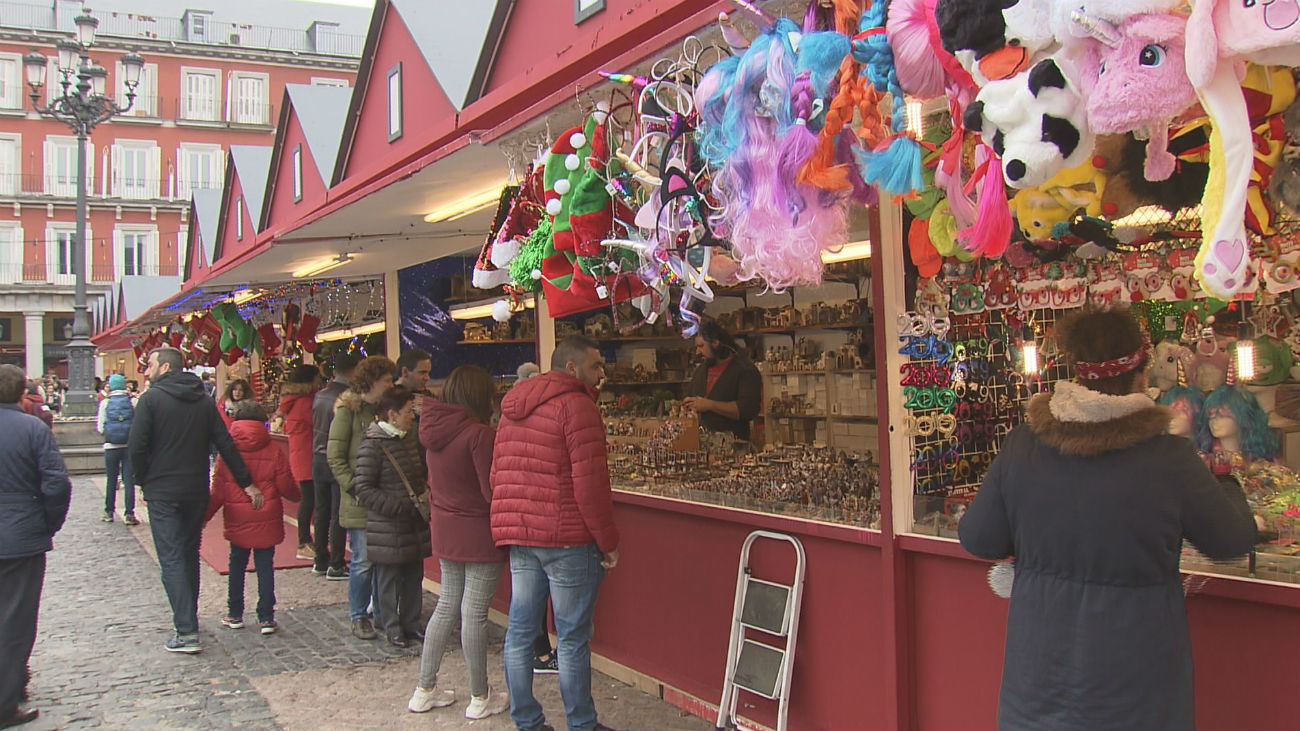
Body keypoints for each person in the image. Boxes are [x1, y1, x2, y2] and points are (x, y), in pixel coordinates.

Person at [958, 308, 1258, 731]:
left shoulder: (1024, 445)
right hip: (1137, 694)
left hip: (1039, 689)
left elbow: (978, 538)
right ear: (1141, 373)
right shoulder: (1168, 458)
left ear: (1077, 373)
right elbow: (1230, 540)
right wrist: (1226, 479)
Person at [491, 335, 620, 731]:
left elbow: (497, 473)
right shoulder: (578, 406)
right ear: (571, 368)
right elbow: (589, 484)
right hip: (567, 538)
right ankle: (581, 723)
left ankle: (526, 721)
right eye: (596, 365)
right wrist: (608, 542)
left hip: (521, 536)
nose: (602, 373)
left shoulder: (513, 406)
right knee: (571, 638)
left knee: (520, 633)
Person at [128, 346, 255, 654]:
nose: (146, 371)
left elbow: (137, 446)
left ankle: (186, 630)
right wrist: (246, 482)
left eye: (150, 365)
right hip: (195, 490)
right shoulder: (203, 401)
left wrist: (141, 480)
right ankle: (189, 620)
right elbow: (224, 441)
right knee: (187, 554)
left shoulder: (151, 401)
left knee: (171, 558)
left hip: (163, 491)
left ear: (166, 368)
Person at [409, 365, 509, 719]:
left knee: (447, 605)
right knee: (474, 614)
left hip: (446, 529)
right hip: (479, 533)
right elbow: (490, 492)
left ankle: (424, 688)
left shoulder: (433, 431)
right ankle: (480, 696)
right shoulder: (479, 435)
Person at [0, 364, 71, 729]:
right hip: (20, 533)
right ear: (19, 394)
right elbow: (57, 483)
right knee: (15, 619)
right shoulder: (32, 428)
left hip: (20, 528)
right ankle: (6, 698)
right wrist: (47, 523)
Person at [205, 401, 300, 636]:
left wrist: (204, 517)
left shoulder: (228, 452)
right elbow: (286, 485)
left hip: (238, 514)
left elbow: (217, 490)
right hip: (266, 513)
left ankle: (235, 613)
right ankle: (266, 616)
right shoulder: (273, 450)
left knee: (237, 563)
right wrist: (298, 495)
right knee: (265, 564)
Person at [352, 386, 431, 649]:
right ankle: (391, 626)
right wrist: (395, 506)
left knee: (412, 575)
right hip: (388, 524)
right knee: (388, 579)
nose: (412, 416)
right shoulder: (373, 445)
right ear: (392, 414)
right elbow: (363, 488)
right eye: (408, 411)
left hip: (412, 522)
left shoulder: (410, 439)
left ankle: (411, 623)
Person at [327, 355, 397, 640]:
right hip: (359, 500)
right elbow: (335, 456)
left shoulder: (384, 410)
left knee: (384, 560)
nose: (391, 385)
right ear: (372, 382)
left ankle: (382, 613)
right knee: (363, 560)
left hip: (384, 498)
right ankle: (359, 615)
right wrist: (354, 487)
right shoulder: (348, 411)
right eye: (387, 380)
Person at [511, 360, 560, 674]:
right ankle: (542, 654)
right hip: (545, 521)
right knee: (557, 607)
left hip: (519, 521)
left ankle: (533, 655)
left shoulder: (508, 419)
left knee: (525, 605)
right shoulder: (548, 416)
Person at [312, 353, 358, 580]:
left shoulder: (319, 396)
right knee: (339, 512)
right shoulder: (346, 398)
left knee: (321, 511)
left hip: (317, 457)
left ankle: (320, 559)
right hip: (336, 456)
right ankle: (336, 562)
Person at [683, 321, 762, 440]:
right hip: (701, 445)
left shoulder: (745, 370)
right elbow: (691, 399)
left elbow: (747, 409)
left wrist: (709, 405)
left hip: (733, 447)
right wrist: (687, 406)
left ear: (715, 343)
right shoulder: (700, 371)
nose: (698, 352)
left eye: (701, 346)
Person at [278, 364, 322, 561]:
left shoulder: (294, 401)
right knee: (310, 501)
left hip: (301, 455)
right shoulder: (306, 403)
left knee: (308, 500)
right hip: (309, 457)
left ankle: (305, 541)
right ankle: (304, 542)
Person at [96, 373, 138, 525]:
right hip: (128, 446)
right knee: (128, 481)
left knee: (111, 480)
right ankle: (130, 514)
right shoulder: (132, 401)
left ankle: (108, 511)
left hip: (111, 446)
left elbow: (100, 427)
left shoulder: (106, 403)